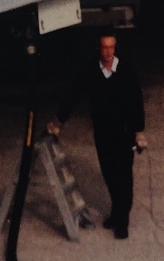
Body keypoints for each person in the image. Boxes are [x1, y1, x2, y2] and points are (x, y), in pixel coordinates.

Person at [47, 33, 147, 239]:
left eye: (111, 47)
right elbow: (73, 95)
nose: (108, 52)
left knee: (123, 177)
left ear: (116, 47)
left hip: (124, 132)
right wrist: (58, 120)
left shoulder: (126, 70)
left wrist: (139, 131)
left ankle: (123, 221)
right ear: (99, 49)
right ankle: (116, 212)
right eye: (104, 47)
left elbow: (136, 101)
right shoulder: (91, 70)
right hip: (103, 132)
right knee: (109, 173)